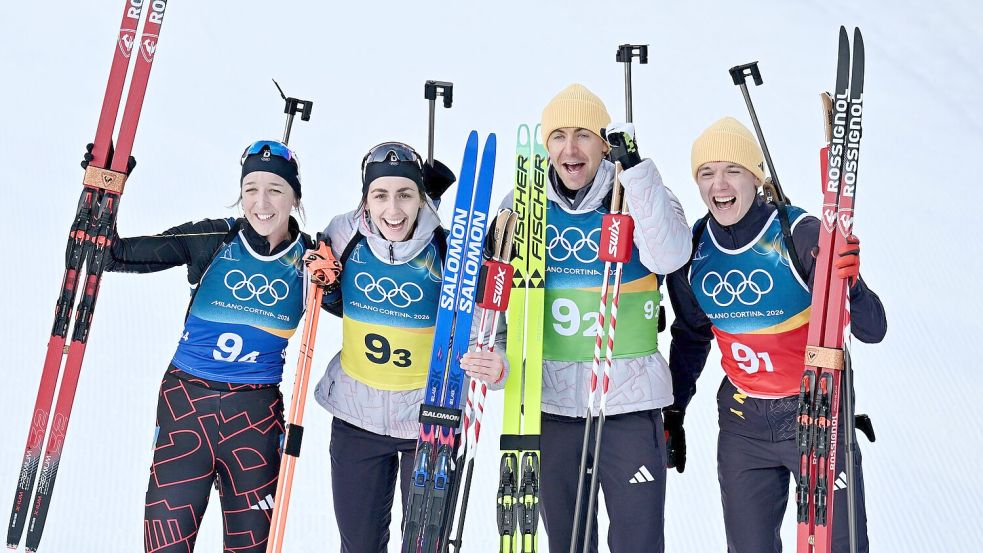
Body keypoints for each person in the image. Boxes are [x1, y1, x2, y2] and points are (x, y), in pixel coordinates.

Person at [466, 83, 692, 553]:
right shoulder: (521, 206)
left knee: (639, 541)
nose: (571, 148)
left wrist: (640, 175)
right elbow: (494, 304)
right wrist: (500, 359)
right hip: (548, 408)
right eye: (559, 136)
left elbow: (671, 255)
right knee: (568, 543)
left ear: (604, 143)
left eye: (584, 135)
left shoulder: (639, 193)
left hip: (627, 404)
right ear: (546, 145)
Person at [666, 116, 887, 552]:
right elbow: (692, 337)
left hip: (815, 413)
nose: (719, 184)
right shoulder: (694, 250)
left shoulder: (798, 234)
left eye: (732, 170)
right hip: (743, 425)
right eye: (706, 173)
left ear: (756, 176)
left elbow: (873, 329)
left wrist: (852, 283)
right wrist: (674, 412)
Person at [100, 140, 312, 552]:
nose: (261, 202)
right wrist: (106, 185)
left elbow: (379, 283)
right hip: (186, 405)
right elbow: (111, 254)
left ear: (295, 197)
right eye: (251, 189)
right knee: (166, 545)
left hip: (255, 417)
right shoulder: (213, 238)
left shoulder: (311, 260)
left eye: (275, 189)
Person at [311, 142, 504, 552]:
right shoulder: (343, 235)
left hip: (428, 422)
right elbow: (329, 294)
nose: (393, 211)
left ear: (422, 198)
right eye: (380, 195)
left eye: (405, 195)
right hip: (355, 420)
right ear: (365, 198)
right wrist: (319, 282)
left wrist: (496, 365)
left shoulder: (451, 252)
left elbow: (487, 334)